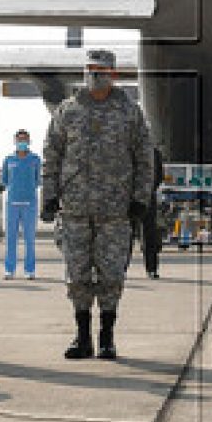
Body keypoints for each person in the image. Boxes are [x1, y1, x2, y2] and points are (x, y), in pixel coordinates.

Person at [42, 49, 153, 360]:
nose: (94, 75)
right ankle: (82, 336)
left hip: (116, 211)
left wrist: (140, 198)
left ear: (113, 74)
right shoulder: (67, 111)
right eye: (90, 69)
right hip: (74, 209)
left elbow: (145, 159)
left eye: (101, 70)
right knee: (76, 275)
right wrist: (49, 196)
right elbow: (52, 155)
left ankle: (106, 336)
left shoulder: (130, 112)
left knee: (111, 275)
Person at [2, 130, 41, 279]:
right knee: (11, 239)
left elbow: (38, 180)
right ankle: (9, 269)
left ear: (29, 141)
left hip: (29, 203)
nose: (22, 142)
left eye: (24, 140)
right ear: (15, 141)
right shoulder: (9, 160)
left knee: (29, 239)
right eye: (19, 140)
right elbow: (5, 180)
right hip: (12, 203)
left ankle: (29, 270)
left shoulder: (35, 159)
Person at [139, 146, 164, 279]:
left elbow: (159, 175)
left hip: (143, 195)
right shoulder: (153, 152)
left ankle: (152, 267)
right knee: (149, 233)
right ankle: (151, 268)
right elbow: (159, 176)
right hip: (145, 195)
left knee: (149, 234)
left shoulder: (153, 153)